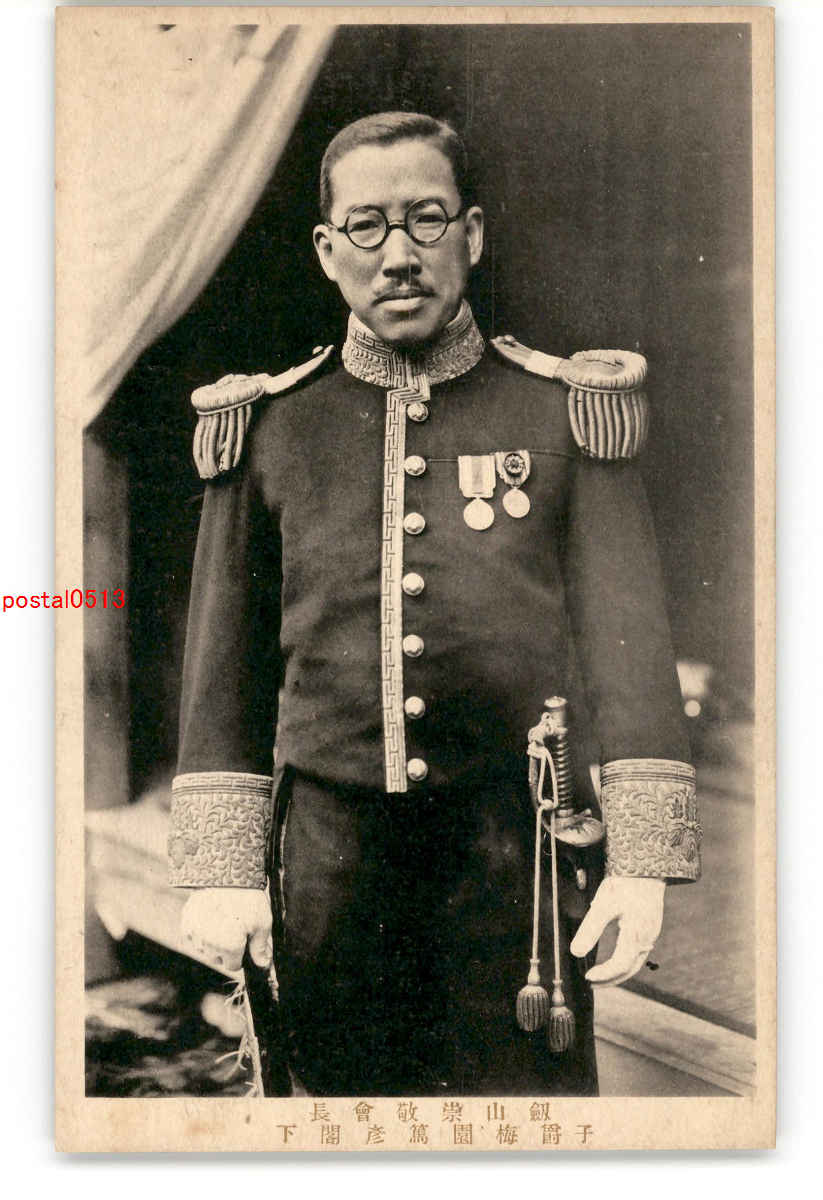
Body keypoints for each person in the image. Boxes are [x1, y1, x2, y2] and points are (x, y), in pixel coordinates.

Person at [168, 112, 701, 1097]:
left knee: (523, 1125)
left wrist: (643, 863)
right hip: (329, 872)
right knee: (343, 1124)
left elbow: (628, 650)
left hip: (513, 867)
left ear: (473, 235)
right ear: (326, 251)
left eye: (426, 219)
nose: (399, 255)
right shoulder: (271, 430)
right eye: (366, 227)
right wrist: (223, 873)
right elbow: (224, 675)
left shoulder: (563, 412)